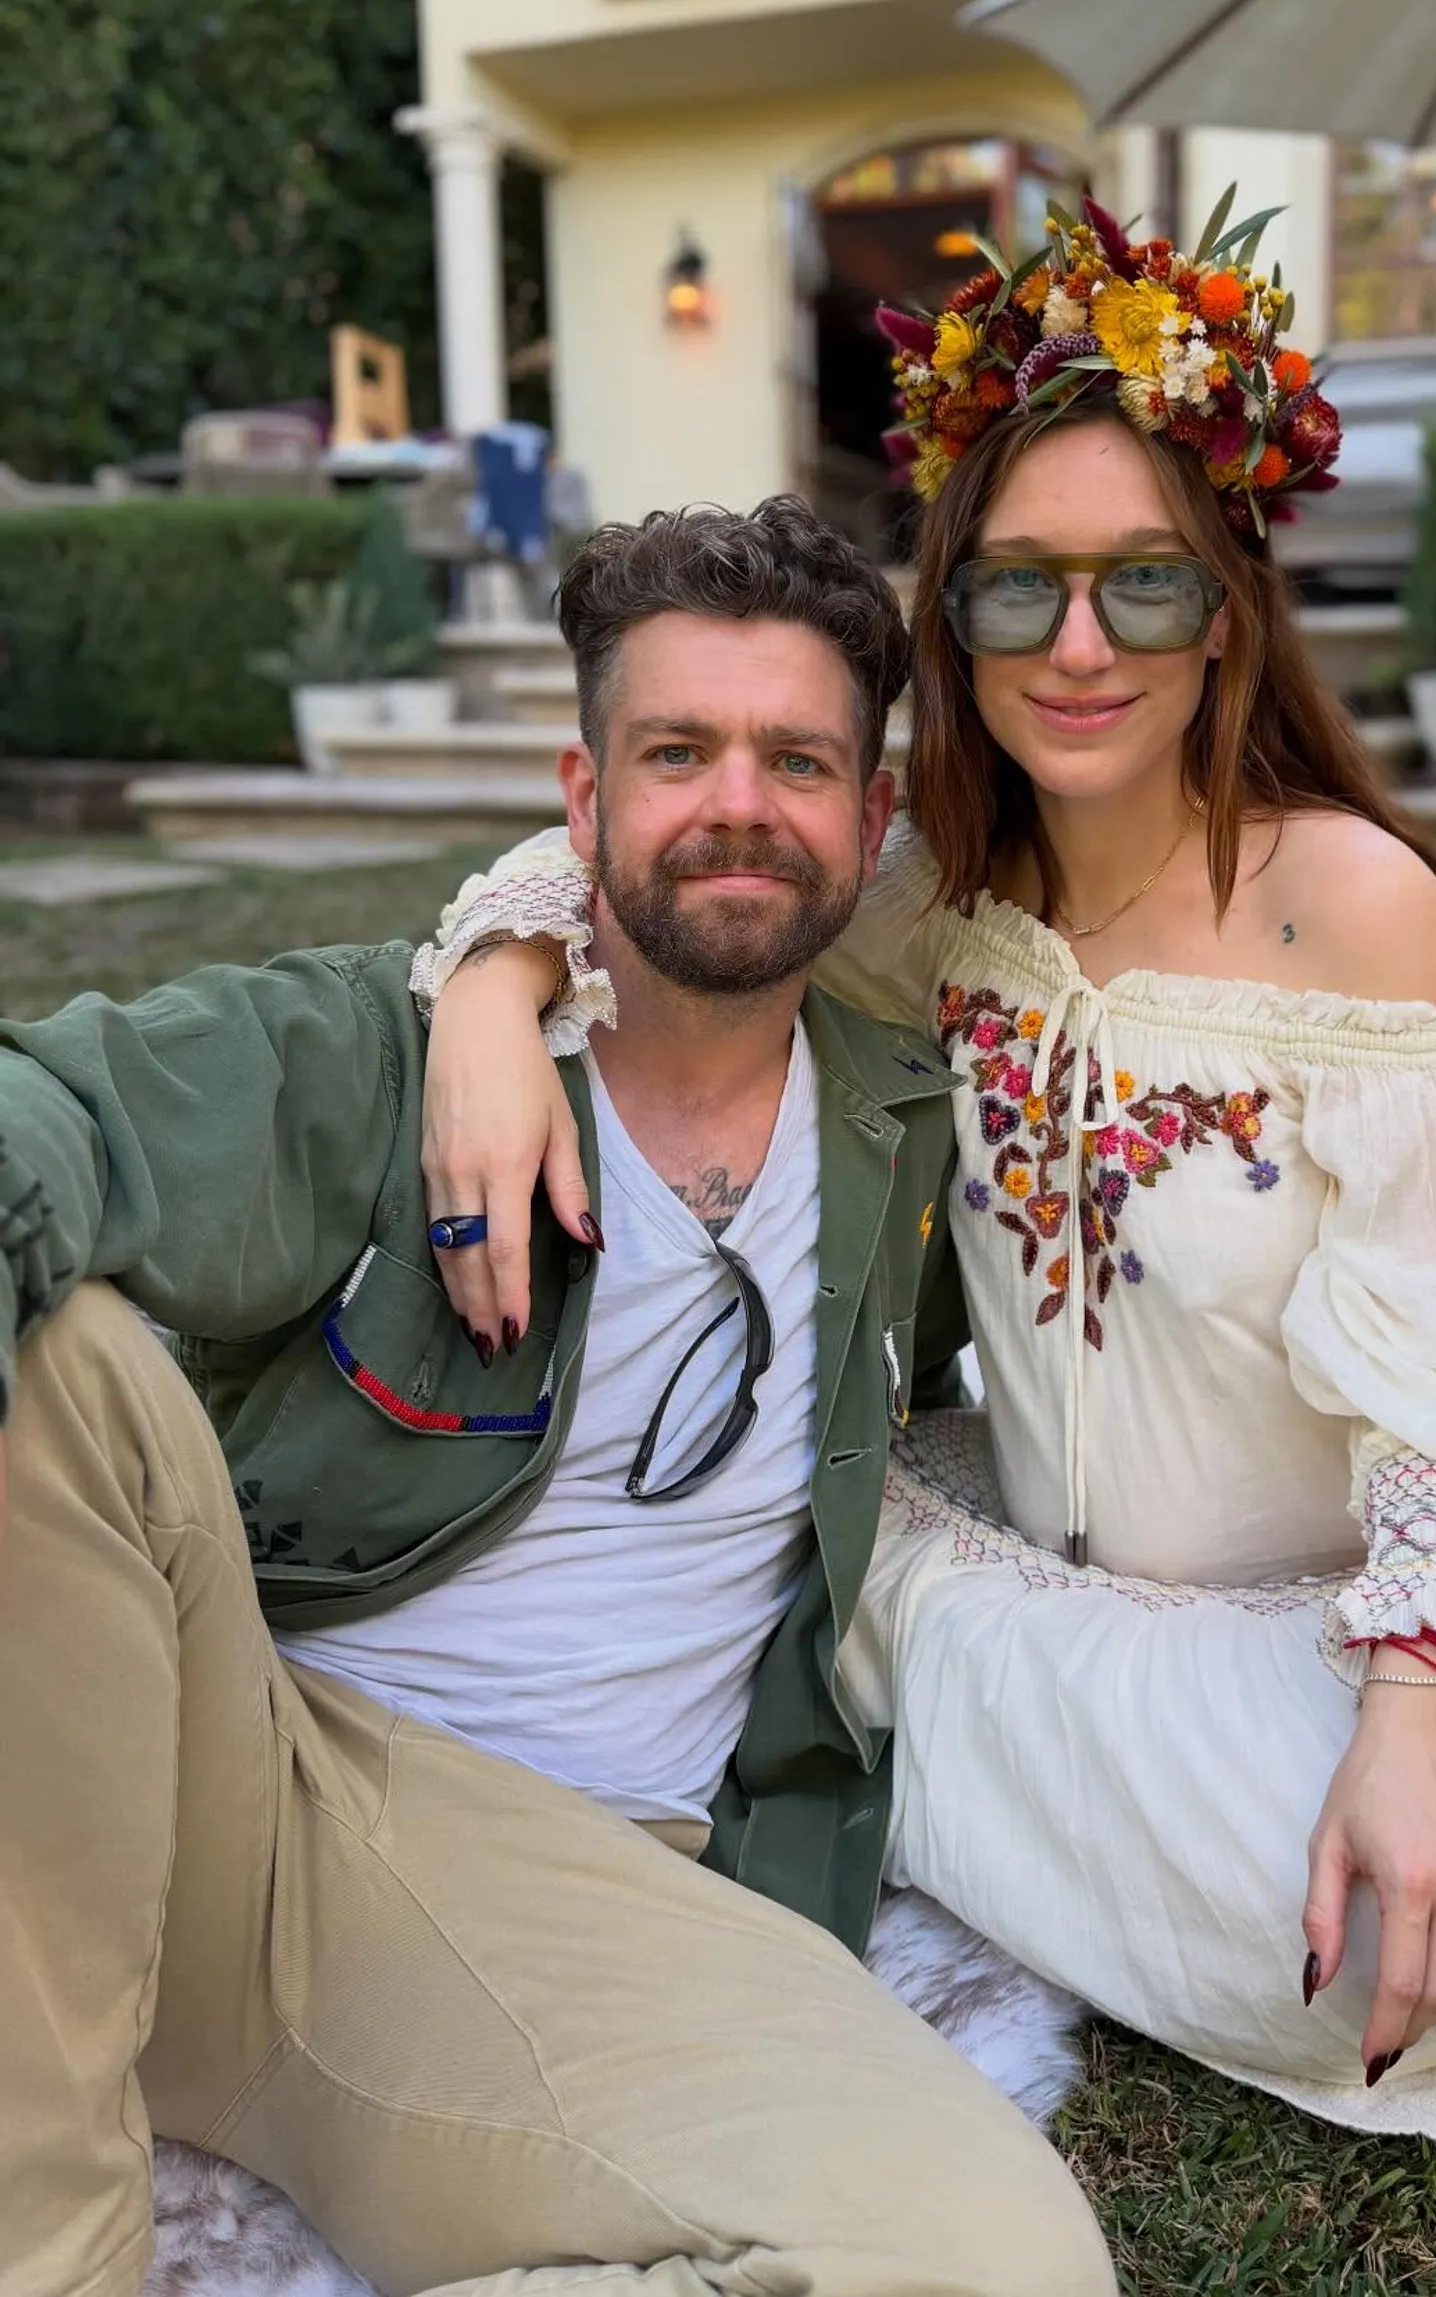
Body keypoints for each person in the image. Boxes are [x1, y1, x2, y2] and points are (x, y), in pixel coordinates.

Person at [408, 202, 1436, 2161]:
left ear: (1226, 604)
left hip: (1343, 1614)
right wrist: (493, 978)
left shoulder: (1346, 902)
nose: (1076, 646)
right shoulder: (940, 904)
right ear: (948, 617)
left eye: (1140, 585)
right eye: (1014, 589)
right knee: (1279, 1913)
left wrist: (1412, 1711)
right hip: (1018, 1589)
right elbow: (679, 893)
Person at [0, 496, 1114, 2297]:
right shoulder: (383, 1052)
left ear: (869, 819)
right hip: (229, 1783)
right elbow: (56, 1120)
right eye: (676, 751)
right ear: (582, 804)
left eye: (797, 760)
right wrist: (489, 996)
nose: (738, 803)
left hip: (581, 1909)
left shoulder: (910, 1133)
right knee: (66, 1356)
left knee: (994, 2259)